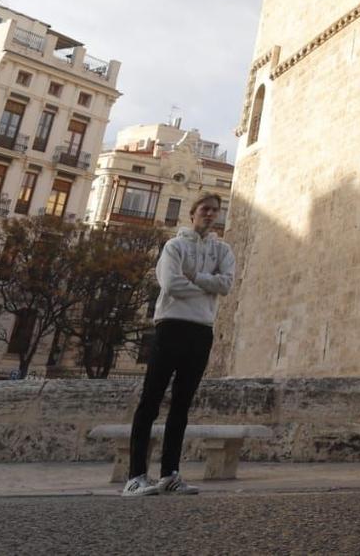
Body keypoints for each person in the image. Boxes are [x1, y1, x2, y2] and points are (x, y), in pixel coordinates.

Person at [122, 193, 233, 498]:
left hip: (201, 330)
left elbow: (226, 284)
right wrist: (207, 285)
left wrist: (195, 277)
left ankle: (170, 473)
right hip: (170, 325)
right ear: (192, 213)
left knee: (182, 405)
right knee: (151, 401)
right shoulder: (174, 247)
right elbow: (171, 284)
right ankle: (135, 476)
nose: (210, 215)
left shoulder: (222, 249)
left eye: (214, 211)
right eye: (204, 210)